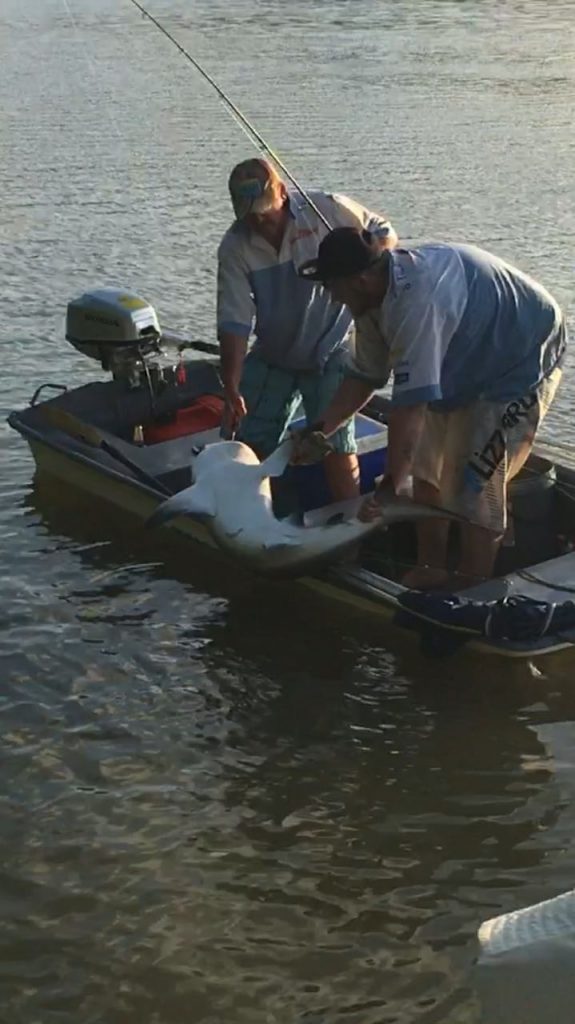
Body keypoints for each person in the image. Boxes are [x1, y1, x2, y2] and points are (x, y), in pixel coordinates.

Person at [294, 227, 567, 588]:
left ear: (360, 280)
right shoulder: (370, 303)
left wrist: (390, 489)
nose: (330, 296)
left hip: (520, 359)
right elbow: (364, 377)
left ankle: (472, 587)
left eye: (332, 286)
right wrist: (319, 430)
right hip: (464, 360)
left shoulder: (418, 304)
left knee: (474, 486)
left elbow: (409, 410)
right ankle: (430, 567)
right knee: (428, 472)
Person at [217, 158, 398, 501]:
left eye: (265, 213)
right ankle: (252, 514)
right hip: (275, 352)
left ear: (283, 194)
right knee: (248, 442)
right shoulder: (235, 246)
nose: (258, 222)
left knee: (334, 444)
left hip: (332, 347)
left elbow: (384, 232)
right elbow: (234, 321)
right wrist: (231, 384)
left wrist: (369, 272)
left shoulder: (327, 209)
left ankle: (348, 526)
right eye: (249, 216)